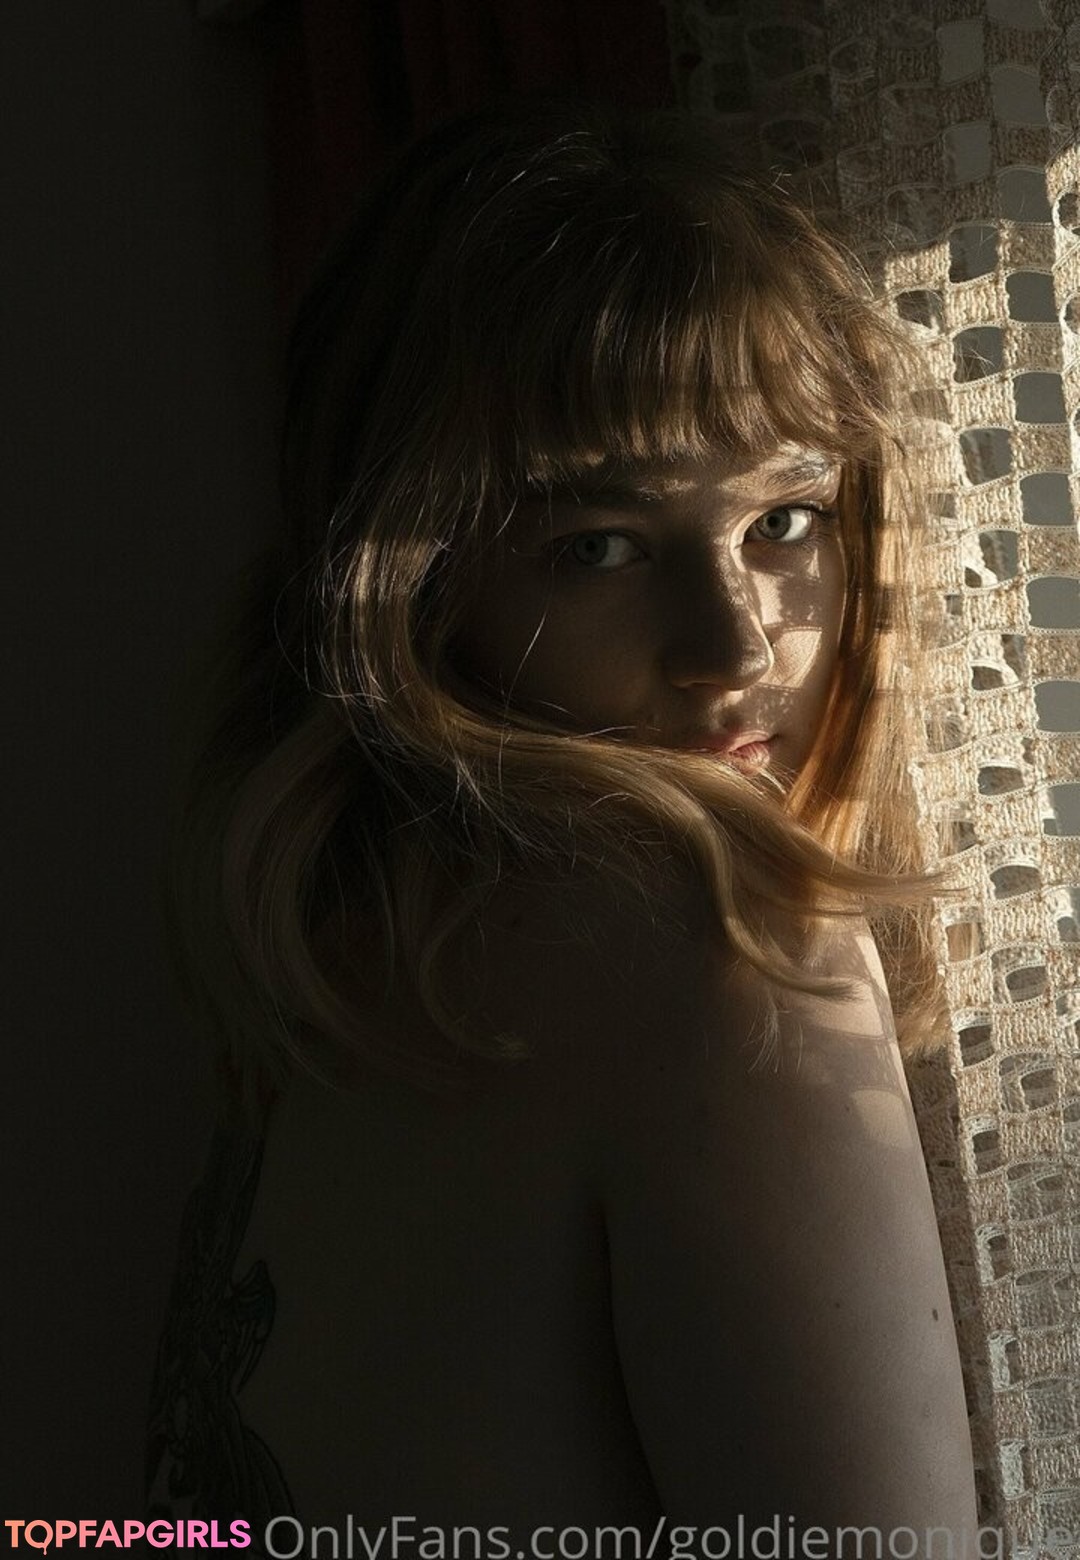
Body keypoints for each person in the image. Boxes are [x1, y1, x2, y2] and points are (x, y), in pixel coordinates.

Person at [146, 99, 980, 1550]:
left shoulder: (352, 926)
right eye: (598, 545)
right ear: (413, 581)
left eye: (786, 519)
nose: (734, 646)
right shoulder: (713, 931)